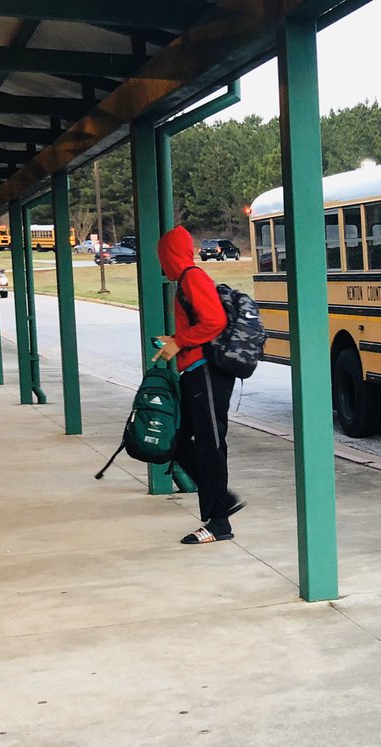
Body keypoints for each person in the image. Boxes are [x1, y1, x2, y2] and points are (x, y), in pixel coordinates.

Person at [150, 225, 244, 544]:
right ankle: (223, 500)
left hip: (207, 372)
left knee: (210, 446)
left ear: (171, 255)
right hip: (194, 372)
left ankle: (218, 522)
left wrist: (181, 341)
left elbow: (214, 321)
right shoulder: (185, 282)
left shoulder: (192, 277)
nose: (161, 264)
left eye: (162, 257)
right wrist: (175, 340)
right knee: (175, 440)